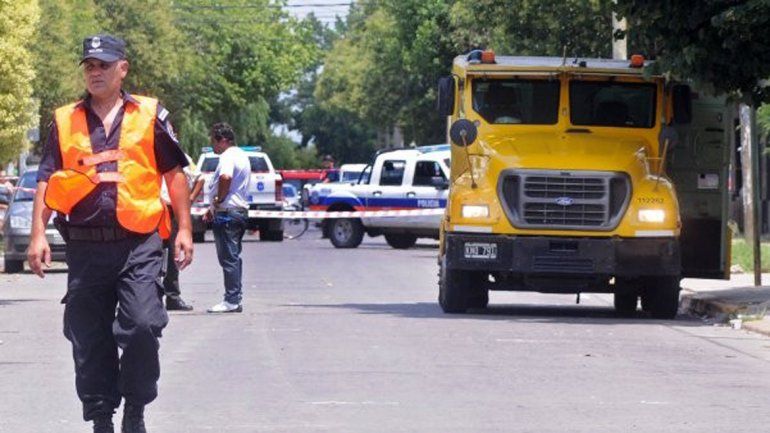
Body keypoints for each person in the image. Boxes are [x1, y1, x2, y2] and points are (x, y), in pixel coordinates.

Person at [27, 34, 193, 433]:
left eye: (103, 64)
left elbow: (174, 174)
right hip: (85, 246)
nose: (95, 71)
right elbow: (47, 180)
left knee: (140, 325)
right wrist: (37, 234)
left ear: (123, 68)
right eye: (89, 65)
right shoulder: (65, 120)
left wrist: (184, 227)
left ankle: (135, 406)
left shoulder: (150, 114)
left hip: (139, 242)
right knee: (88, 335)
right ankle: (102, 416)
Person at [203, 122, 250, 313]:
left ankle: (231, 299)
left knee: (228, 257)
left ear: (222, 140)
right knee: (233, 256)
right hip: (236, 211)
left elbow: (225, 178)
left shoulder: (228, 157)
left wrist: (219, 199)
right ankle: (234, 297)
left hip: (228, 213)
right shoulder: (241, 155)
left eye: (213, 141)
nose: (212, 145)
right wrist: (213, 206)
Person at [160, 153, 203, 311]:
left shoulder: (179, 155)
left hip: (172, 211)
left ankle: (172, 296)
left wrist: (189, 200)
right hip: (153, 210)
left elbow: (200, 178)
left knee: (173, 254)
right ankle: (151, 296)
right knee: (150, 253)